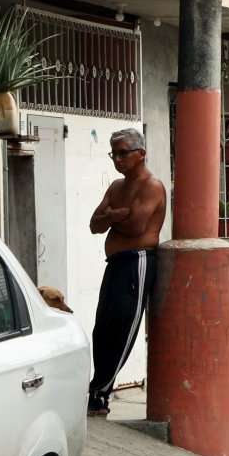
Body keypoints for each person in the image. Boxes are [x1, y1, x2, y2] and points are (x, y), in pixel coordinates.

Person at [86, 128, 167, 417]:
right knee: (102, 328)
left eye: (123, 153)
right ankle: (98, 390)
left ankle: (100, 393)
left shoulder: (152, 186)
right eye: (114, 153)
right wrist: (114, 216)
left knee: (123, 327)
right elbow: (94, 225)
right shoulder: (116, 187)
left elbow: (136, 227)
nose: (117, 159)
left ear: (140, 153)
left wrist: (109, 218)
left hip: (138, 261)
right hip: (115, 262)